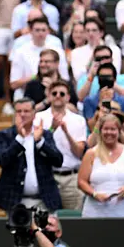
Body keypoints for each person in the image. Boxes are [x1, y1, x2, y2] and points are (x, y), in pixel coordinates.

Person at [0, 98, 64, 215]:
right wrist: (19, 139)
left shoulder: (44, 134)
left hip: (44, 200)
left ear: (34, 113)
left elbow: (58, 160)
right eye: (19, 111)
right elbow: (3, 160)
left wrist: (40, 142)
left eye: (26, 111)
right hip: (15, 200)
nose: (22, 115)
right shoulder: (5, 135)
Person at [78, 114, 124, 217]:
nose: (109, 132)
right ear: (100, 131)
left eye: (113, 129)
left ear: (119, 132)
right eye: (105, 129)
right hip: (96, 212)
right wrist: (95, 194)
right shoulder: (91, 153)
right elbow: (81, 181)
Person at [36, 81, 86, 210]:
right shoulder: (38, 117)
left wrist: (66, 131)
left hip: (71, 178)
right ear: (49, 96)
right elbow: (36, 148)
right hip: (48, 176)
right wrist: (52, 129)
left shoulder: (78, 120)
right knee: (46, 221)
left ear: (68, 97)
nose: (58, 96)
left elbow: (79, 152)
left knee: (74, 222)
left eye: (62, 93)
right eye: (54, 93)